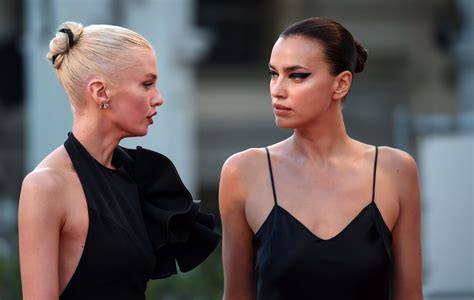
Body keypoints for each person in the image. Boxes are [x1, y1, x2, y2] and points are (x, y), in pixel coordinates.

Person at [219, 17, 422, 300]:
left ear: (341, 84)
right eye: (273, 73)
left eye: (297, 75)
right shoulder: (242, 173)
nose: (278, 89)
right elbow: (236, 295)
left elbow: (410, 295)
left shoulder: (394, 170)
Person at [18, 21, 220, 300]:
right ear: (101, 92)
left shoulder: (139, 176)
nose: (158, 98)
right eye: (147, 84)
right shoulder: (45, 186)